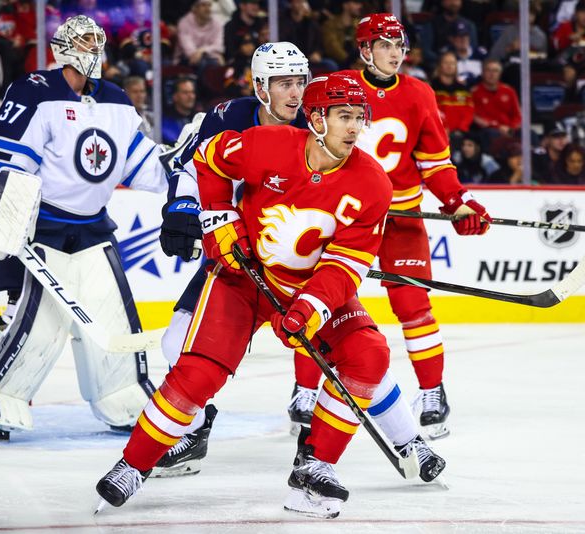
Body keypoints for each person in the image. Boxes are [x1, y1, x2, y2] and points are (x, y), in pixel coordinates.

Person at [96, 72, 436, 519]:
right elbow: (208, 160)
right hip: (241, 280)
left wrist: (311, 306)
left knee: (369, 354)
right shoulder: (266, 144)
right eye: (343, 117)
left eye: (359, 117)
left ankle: (315, 471)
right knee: (197, 372)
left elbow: (346, 263)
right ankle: (133, 464)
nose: (354, 128)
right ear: (316, 119)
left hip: (304, 287)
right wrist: (219, 220)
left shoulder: (373, 183)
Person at [156, 42, 446, 481]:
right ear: (260, 86)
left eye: (299, 82)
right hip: (237, 258)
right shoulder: (228, 118)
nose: (294, 93)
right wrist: (182, 208)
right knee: (177, 343)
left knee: (350, 353)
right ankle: (193, 433)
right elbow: (190, 166)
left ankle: (407, 439)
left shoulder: (321, 122)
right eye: (283, 84)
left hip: (305, 267)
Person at [0, 15, 168, 440]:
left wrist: (181, 166)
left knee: (113, 319)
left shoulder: (115, 99)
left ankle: (123, 394)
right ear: (64, 47)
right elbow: (5, 160)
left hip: (93, 230)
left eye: (98, 41)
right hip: (45, 230)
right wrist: (12, 218)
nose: (95, 49)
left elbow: (140, 162)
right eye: (86, 41)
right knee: (39, 326)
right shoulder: (33, 91)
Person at [333, 14, 491, 439]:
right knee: (324, 302)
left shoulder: (419, 93)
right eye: (385, 45)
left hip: (402, 217)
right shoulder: (339, 86)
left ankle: (433, 391)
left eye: (399, 44)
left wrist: (458, 201)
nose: (395, 52)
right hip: (346, 217)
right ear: (365, 49)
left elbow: (435, 163)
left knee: (413, 306)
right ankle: (305, 389)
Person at [162, 76, 199, 144]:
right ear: (175, 96)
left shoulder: (198, 118)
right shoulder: (165, 120)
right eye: (185, 92)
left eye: (192, 92)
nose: (190, 96)